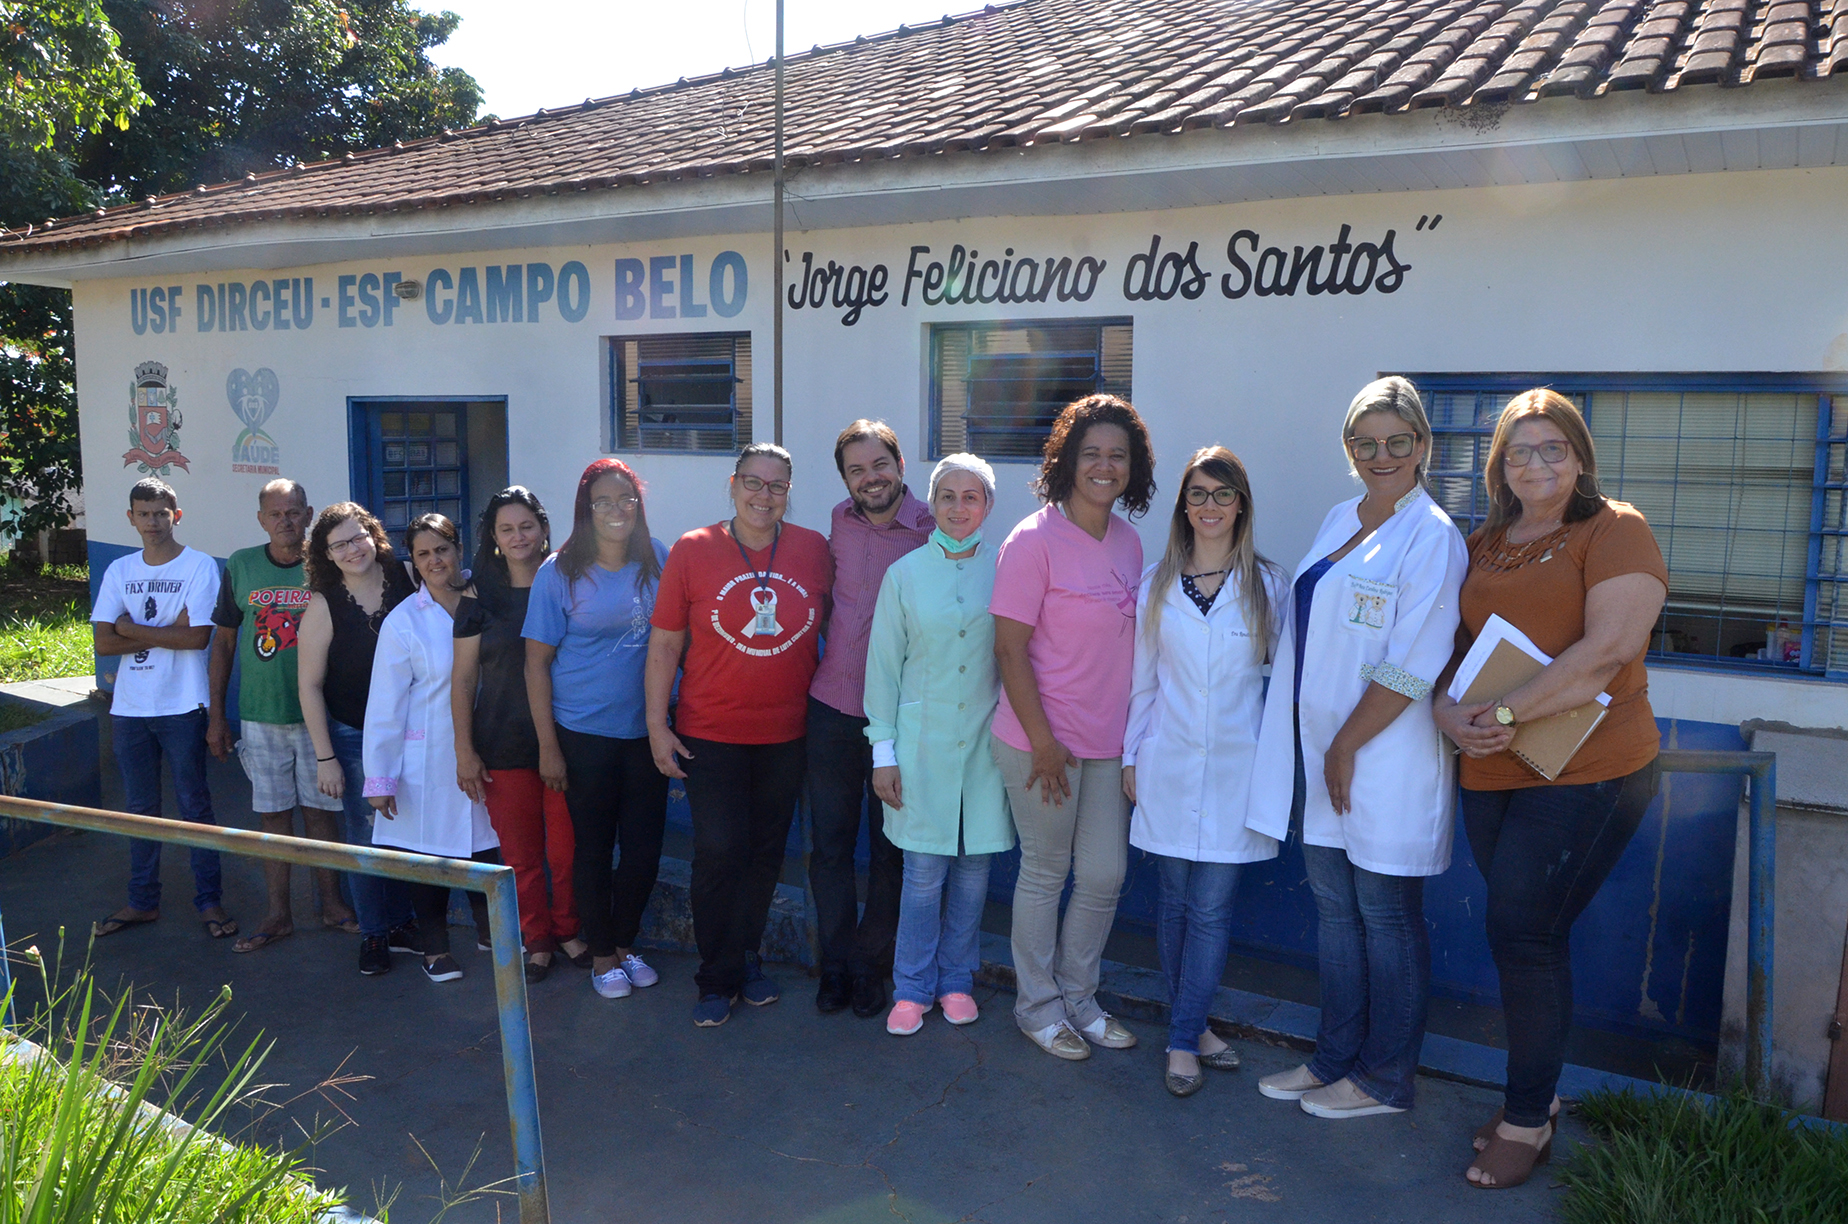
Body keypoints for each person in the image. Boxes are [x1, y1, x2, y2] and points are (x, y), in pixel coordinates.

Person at [1432, 390, 1668, 1189]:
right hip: (1492, 766)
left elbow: (1610, 648)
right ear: (1499, 465)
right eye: (1518, 451)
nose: (1535, 464)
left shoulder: (1615, 529)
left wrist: (1503, 713)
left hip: (1590, 769)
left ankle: (1528, 1118)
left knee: (1524, 932)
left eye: (1552, 448)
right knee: (1523, 935)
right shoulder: (1485, 542)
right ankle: (1536, 1100)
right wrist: (1445, 710)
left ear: (1579, 456)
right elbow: (1453, 646)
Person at [1246, 376, 1467, 1120]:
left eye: (1397, 441)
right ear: (1348, 449)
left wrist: (1344, 747)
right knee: (1337, 916)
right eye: (1365, 443)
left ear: (1422, 445)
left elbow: (1414, 663)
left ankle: (1385, 1079)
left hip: (1384, 757)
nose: (1382, 455)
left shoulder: (1433, 536)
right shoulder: (1341, 516)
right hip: (1323, 753)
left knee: (1386, 915)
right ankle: (1334, 1060)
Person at [647, 444, 833, 1028]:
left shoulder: (813, 549)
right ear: (733, 485)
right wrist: (656, 725)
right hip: (711, 733)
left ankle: (746, 958)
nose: (763, 495)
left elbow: (838, 627)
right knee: (719, 851)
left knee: (764, 855)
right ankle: (715, 975)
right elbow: (665, 644)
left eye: (776, 486)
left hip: (787, 734)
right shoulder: (693, 548)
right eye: (753, 482)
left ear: (788, 493)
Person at [991, 394, 1153, 1061]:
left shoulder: (1129, 541)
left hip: (1107, 742)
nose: (1104, 466)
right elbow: (1009, 651)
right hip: (1041, 742)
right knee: (1046, 871)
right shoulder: (1032, 541)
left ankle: (1080, 999)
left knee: (1105, 875)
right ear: (1067, 461)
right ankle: (1037, 1007)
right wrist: (1043, 743)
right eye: (1091, 454)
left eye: (1118, 455)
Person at [1123, 446, 1287, 1096]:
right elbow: (1142, 683)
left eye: (1222, 494)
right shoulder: (1156, 584)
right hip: (1166, 760)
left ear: (1241, 504)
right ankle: (1193, 1027)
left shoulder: (1269, 586)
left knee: (1211, 909)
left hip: (1236, 772)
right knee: (1174, 903)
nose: (1209, 505)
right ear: (1183, 506)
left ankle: (1183, 1038)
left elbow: (1284, 687)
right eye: (1197, 494)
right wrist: (1132, 756)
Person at [863, 453, 1014, 1037]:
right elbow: (884, 669)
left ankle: (956, 981)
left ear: (988, 505)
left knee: (973, 874)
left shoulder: (1008, 569)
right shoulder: (904, 574)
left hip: (985, 746)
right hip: (920, 747)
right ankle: (911, 987)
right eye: (947, 496)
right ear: (931, 504)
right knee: (923, 874)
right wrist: (883, 753)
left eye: (971, 496)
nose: (958, 507)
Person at [523, 461, 670, 999]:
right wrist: (548, 747)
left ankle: (625, 944)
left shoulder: (658, 558)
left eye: (625, 498)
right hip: (583, 734)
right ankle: (602, 954)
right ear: (586, 508)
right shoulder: (558, 573)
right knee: (593, 848)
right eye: (603, 501)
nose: (616, 509)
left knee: (644, 850)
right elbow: (536, 665)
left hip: (647, 731)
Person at [807, 419, 937, 1020]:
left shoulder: (932, 529)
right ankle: (834, 966)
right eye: (856, 470)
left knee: (891, 851)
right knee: (830, 846)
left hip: (900, 723)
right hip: (833, 708)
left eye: (880, 464)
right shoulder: (840, 522)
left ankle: (870, 967)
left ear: (901, 465)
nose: (870, 478)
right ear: (844, 480)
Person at [206, 479, 357, 953]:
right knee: (273, 816)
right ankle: (278, 914)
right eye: (275, 514)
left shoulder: (328, 565)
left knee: (321, 812)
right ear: (261, 520)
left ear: (309, 515)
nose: (285, 521)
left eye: (293, 512)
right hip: (260, 714)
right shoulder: (241, 565)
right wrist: (216, 716)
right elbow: (224, 643)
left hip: (320, 717)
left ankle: (331, 904)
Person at [452, 487, 592, 986]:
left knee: (567, 852)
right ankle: (537, 941)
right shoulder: (477, 598)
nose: (518, 537)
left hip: (568, 739)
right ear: (493, 536)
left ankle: (569, 930)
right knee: (522, 857)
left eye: (527, 526)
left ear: (544, 528)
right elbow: (463, 679)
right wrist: (464, 750)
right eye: (507, 529)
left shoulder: (570, 584)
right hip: (502, 743)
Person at [90, 478, 237, 941]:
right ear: (130, 518)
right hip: (130, 707)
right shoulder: (119, 570)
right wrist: (166, 630)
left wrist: (130, 627)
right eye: (143, 513)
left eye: (160, 513)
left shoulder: (199, 566)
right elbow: (103, 643)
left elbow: (196, 637)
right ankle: (142, 901)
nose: (152, 522)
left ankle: (209, 901)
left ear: (177, 515)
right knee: (139, 809)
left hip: (183, 704)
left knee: (195, 806)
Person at [362, 514, 500, 983]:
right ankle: (436, 950)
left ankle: (491, 934)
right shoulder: (404, 621)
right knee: (430, 855)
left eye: (442, 549)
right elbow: (385, 704)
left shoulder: (485, 600)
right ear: (414, 563)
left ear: (458, 549)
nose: (435, 560)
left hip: (489, 744)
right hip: (426, 760)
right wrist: (380, 778)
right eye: (423, 554)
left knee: (485, 845)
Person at [300, 503, 418, 975]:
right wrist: (325, 757)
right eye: (339, 545)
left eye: (358, 537)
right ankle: (374, 933)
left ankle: (405, 923)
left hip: (414, 732)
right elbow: (309, 685)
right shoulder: (323, 604)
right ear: (326, 555)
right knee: (368, 834)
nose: (352, 550)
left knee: (409, 830)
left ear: (374, 535)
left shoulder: (408, 576)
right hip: (354, 738)